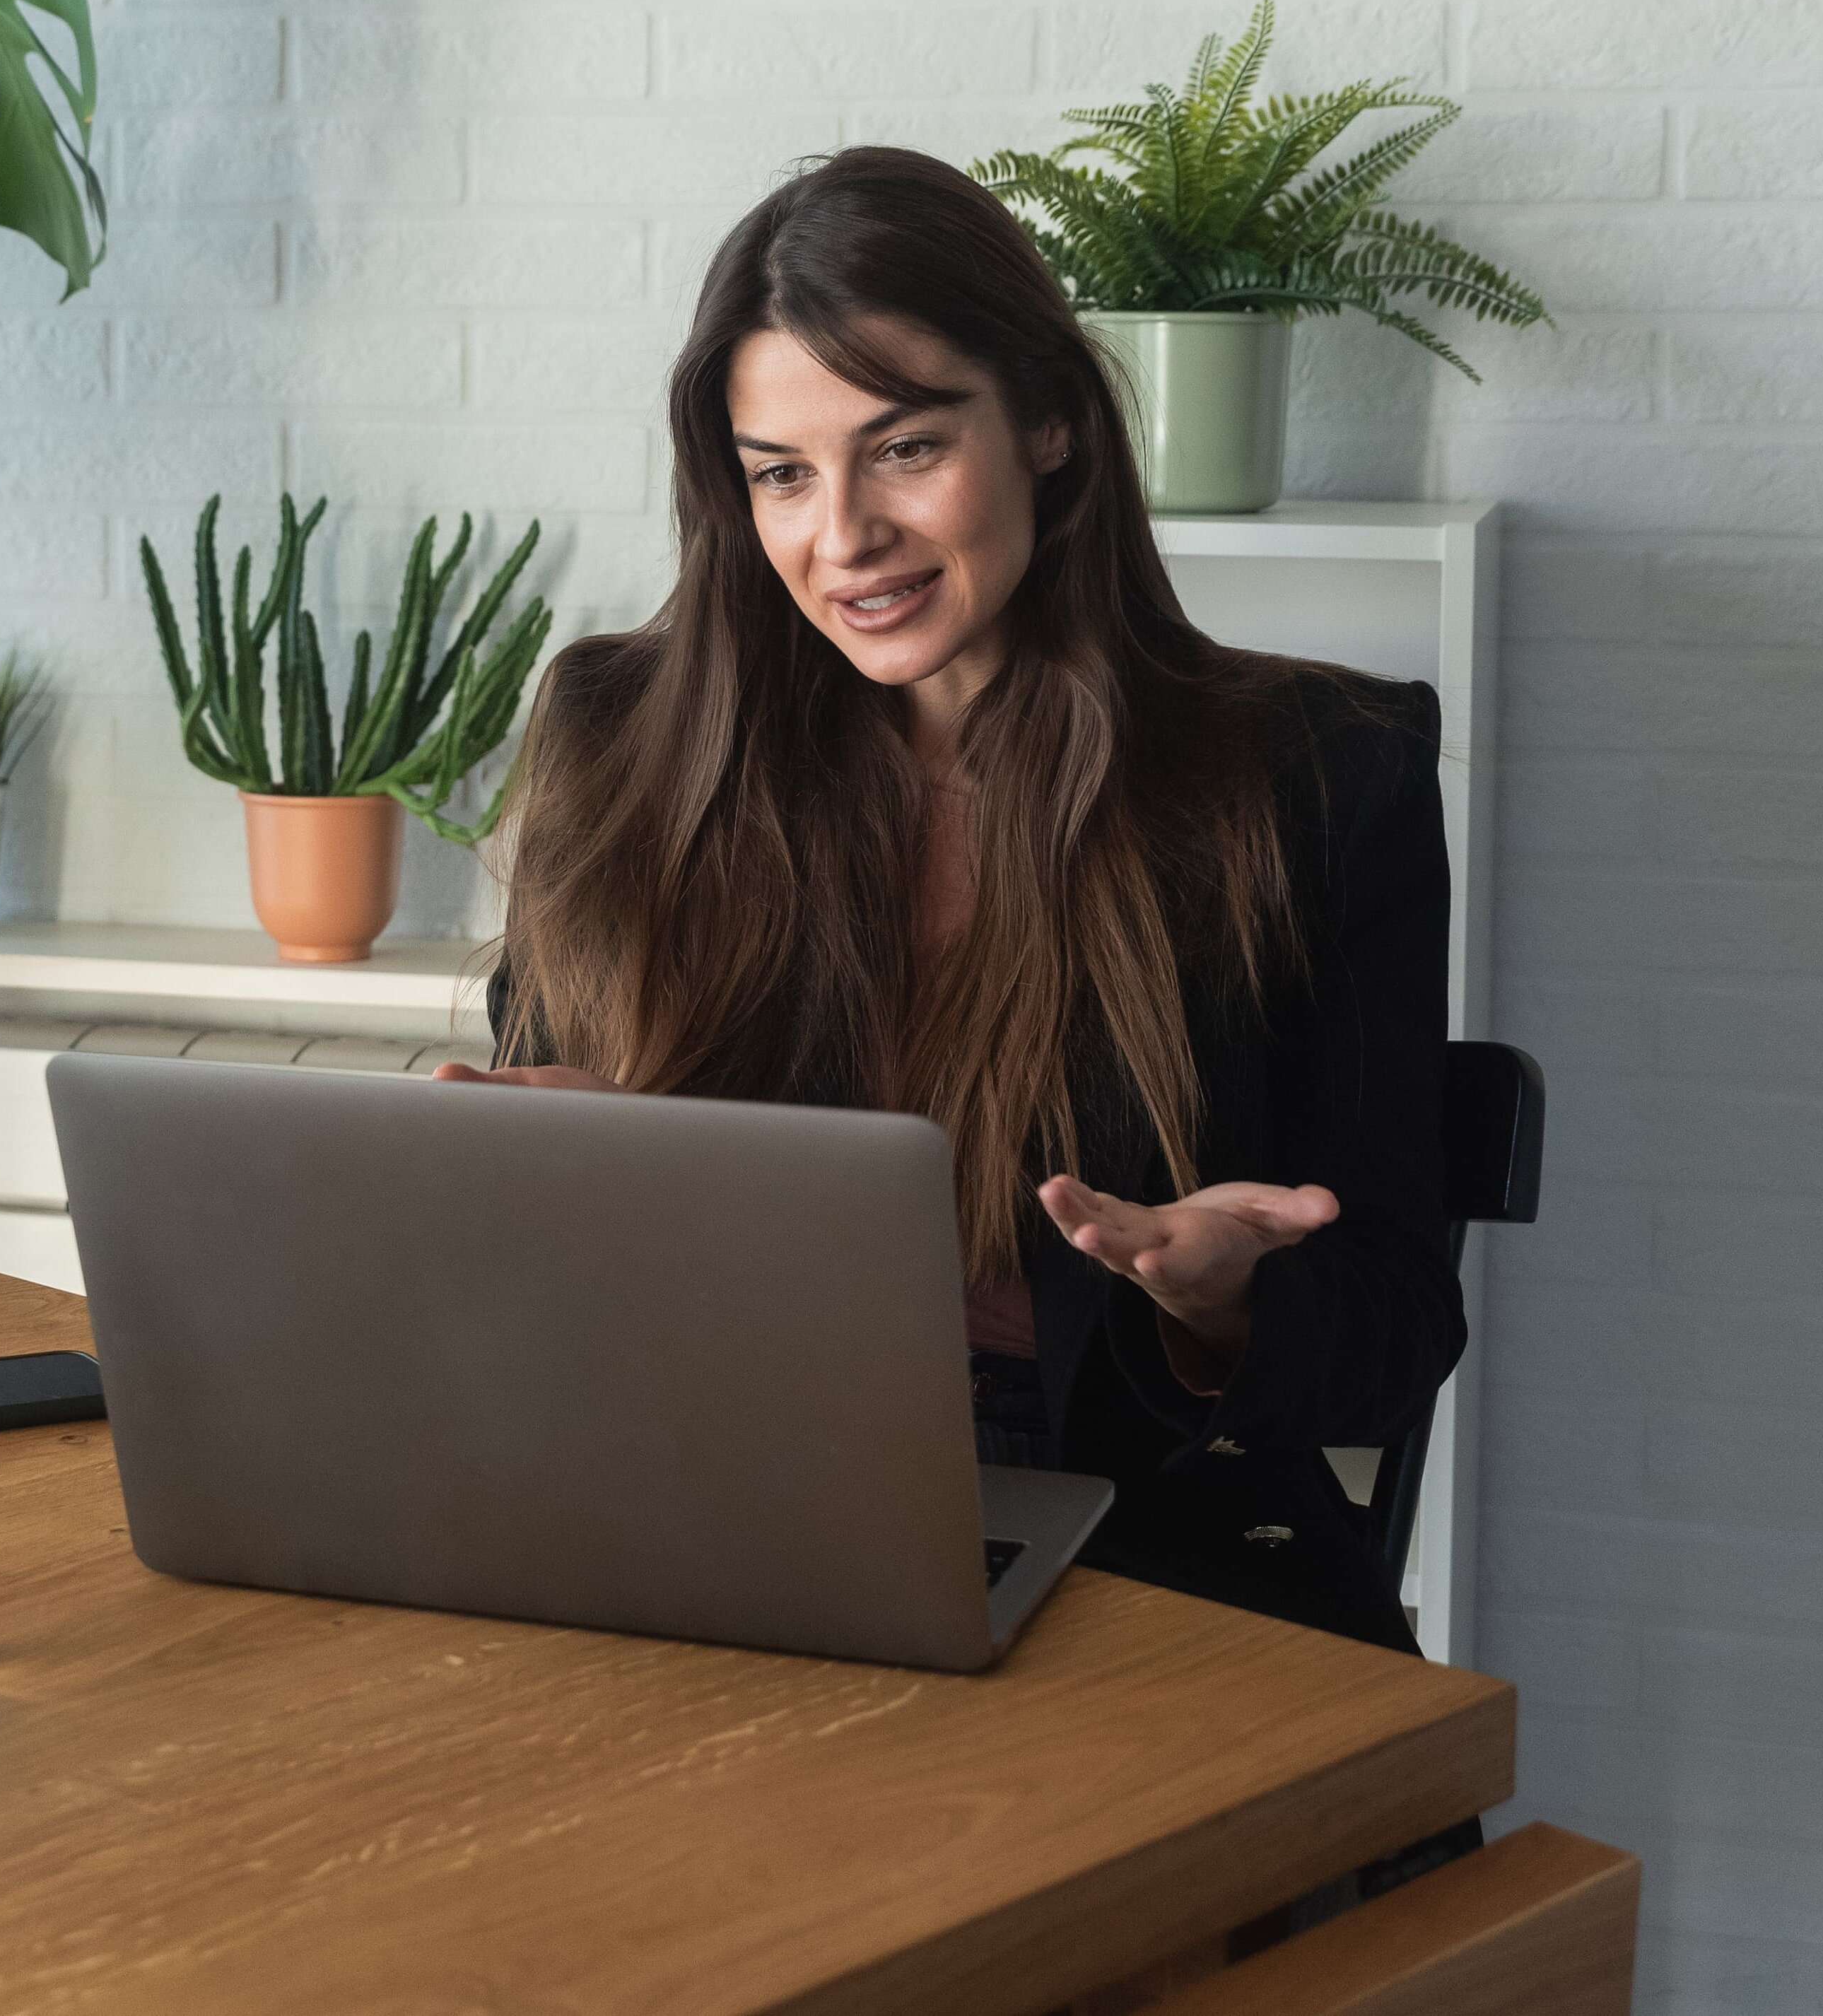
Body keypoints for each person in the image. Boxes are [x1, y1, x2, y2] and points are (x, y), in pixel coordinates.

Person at [443, 146, 1463, 1663]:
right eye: (781, 471)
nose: (839, 536)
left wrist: (1218, 1307)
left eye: (904, 448)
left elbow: (1391, 1329)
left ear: (1048, 422)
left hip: (1127, 1525)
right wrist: (592, 1163)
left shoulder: (1317, 776)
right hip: (689, 1499)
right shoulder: (622, 734)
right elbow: (537, 1291)